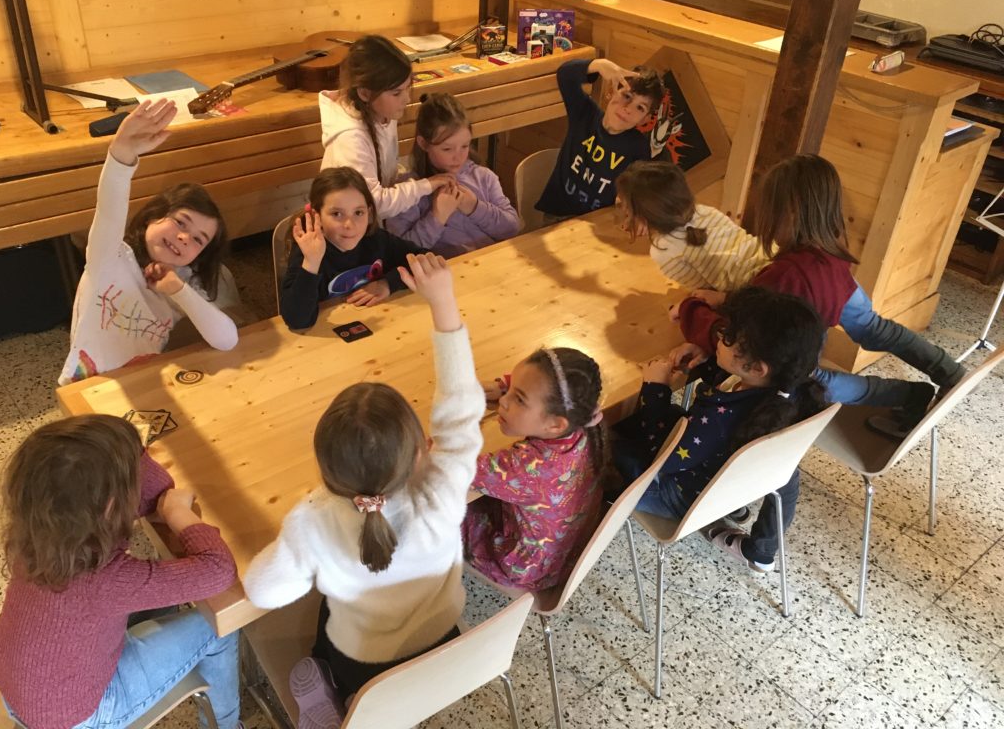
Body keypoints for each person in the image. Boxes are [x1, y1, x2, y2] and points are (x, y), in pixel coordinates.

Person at [244, 253, 485, 725]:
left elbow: (262, 592)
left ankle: (338, 695)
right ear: (422, 451)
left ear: (325, 471)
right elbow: (461, 412)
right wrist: (443, 303)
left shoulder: (311, 519)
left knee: (326, 615)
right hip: (442, 646)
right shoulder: (441, 489)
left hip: (361, 664)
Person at [674, 154, 965, 437]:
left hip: (805, 337)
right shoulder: (827, 245)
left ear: (789, 213)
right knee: (875, 329)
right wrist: (727, 299)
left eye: (767, 210)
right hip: (833, 293)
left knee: (812, 381)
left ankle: (908, 394)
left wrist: (690, 308)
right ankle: (947, 371)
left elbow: (741, 334)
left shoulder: (785, 275)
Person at [0, 415, 240, 729]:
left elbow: (154, 493)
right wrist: (178, 513)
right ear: (110, 506)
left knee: (167, 604)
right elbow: (218, 570)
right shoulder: (108, 580)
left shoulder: (36, 534)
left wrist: (124, 447)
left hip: (21, 690)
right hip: (80, 716)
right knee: (219, 627)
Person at [613, 287, 826, 572]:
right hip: (722, 484)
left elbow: (659, 458)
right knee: (660, 419)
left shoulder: (718, 420)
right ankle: (742, 522)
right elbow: (788, 479)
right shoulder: (791, 391)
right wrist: (710, 359)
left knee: (611, 444)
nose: (718, 338)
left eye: (726, 337)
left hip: (678, 498)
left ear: (757, 368)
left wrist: (656, 389)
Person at [59, 99, 237, 385]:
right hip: (88, 386)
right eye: (180, 222)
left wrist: (178, 290)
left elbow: (226, 340)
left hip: (144, 382)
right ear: (151, 218)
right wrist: (121, 156)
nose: (184, 237)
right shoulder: (111, 257)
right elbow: (109, 212)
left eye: (198, 240)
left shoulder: (182, 281)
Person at [465, 347, 609, 591]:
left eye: (519, 399)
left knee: (440, 508)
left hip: (525, 568)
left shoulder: (525, 468)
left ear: (555, 424)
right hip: (564, 553)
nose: (504, 401)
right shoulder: (583, 418)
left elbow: (453, 466)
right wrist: (507, 386)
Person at [318, 35, 455, 221]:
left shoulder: (382, 112)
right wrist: (425, 186)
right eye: (397, 93)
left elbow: (385, 177)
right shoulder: (350, 139)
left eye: (407, 88)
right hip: (347, 229)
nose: (407, 99)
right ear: (364, 93)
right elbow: (372, 205)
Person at [279, 167, 425, 329]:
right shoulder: (308, 252)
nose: (350, 225)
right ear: (317, 216)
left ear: (369, 213)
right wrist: (311, 263)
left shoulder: (375, 238)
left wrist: (388, 283)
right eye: (337, 214)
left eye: (358, 212)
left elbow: (425, 258)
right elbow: (297, 320)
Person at [386, 93, 519, 257]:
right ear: (423, 144)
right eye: (447, 149)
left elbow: (512, 228)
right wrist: (437, 217)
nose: (458, 157)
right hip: (448, 270)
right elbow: (399, 254)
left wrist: (474, 207)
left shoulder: (483, 177)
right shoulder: (407, 191)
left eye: (465, 146)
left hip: (492, 262)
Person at [535, 58, 663, 220]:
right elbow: (565, 75)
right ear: (611, 91)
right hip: (558, 215)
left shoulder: (639, 147)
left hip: (600, 221)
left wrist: (639, 214)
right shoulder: (585, 113)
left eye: (640, 107)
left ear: (644, 119)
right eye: (627, 96)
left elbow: (640, 192)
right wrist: (598, 65)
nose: (628, 109)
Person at [615, 159, 768, 290]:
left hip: (760, 291)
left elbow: (706, 293)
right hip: (773, 260)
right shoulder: (705, 211)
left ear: (642, 216)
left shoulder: (663, 250)